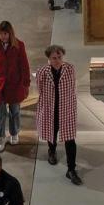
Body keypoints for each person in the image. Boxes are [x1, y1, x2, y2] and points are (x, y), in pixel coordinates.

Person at [36, 45, 81, 185]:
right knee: (52, 132)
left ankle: (71, 169)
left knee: (70, 139)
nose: (57, 60)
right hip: (50, 108)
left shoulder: (69, 69)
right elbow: (40, 89)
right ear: (49, 58)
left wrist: (70, 105)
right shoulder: (43, 71)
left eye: (59, 57)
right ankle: (52, 150)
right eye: (54, 58)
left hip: (66, 109)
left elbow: (72, 87)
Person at [0, 21, 30, 152]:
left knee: (15, 112)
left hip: (14, 85)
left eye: (5, 33)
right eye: (1, 34)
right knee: (1, 113)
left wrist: (26, 83)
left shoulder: (19, 45)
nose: (3, 36)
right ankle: (1, 136)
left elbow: (24, 65)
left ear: (10, 33)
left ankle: (14, 133)